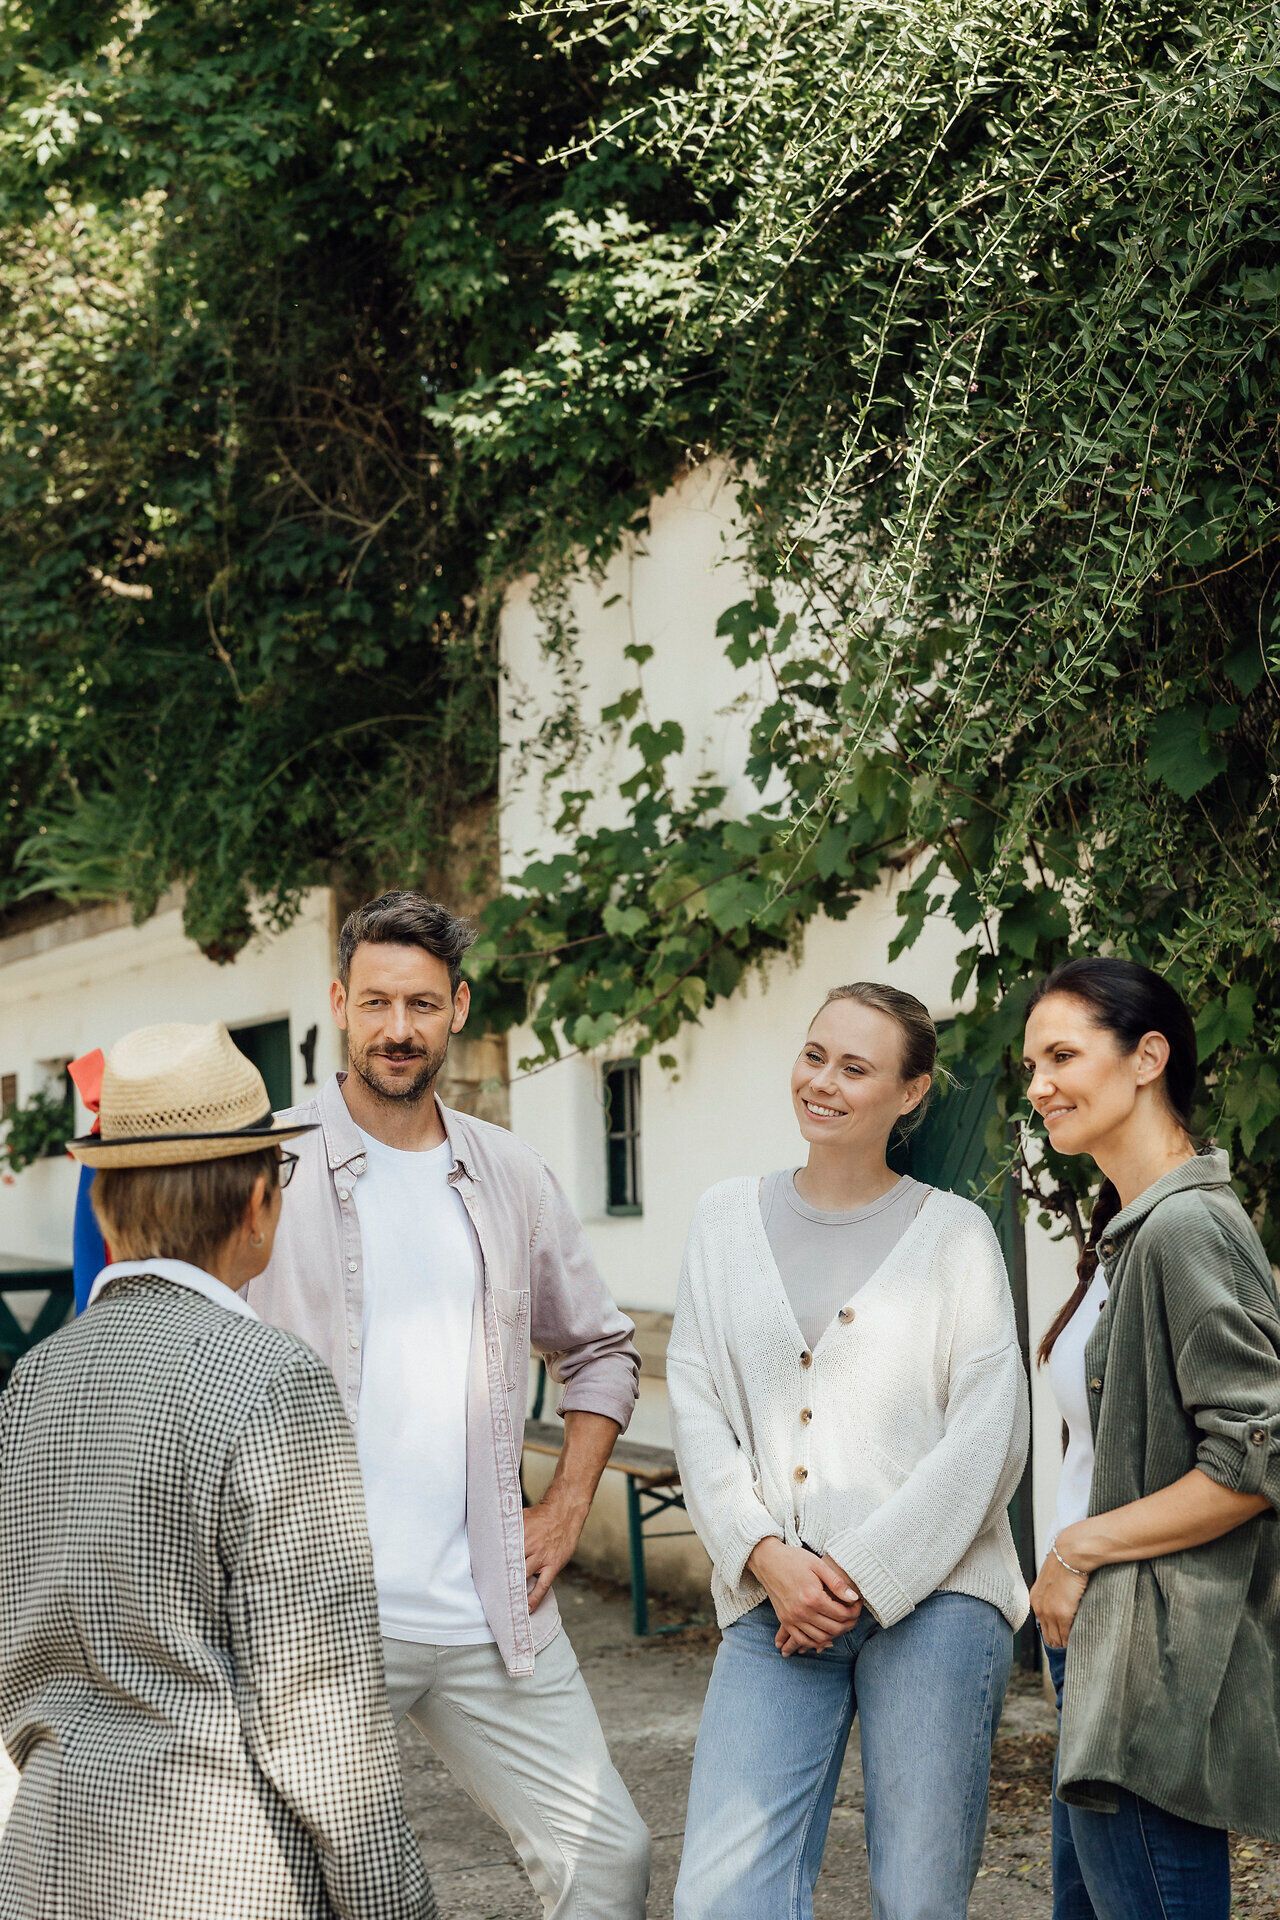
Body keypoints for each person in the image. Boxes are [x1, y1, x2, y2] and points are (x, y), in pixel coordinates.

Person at [247, 890, 650, 1920]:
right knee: (290, 1890)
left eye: (421, 1004)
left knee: (606, 1857)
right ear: (338, 1002)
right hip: (317, 1613)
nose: (397, 1030)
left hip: (485, 1609)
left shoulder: (507, 1172)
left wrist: (563, 1506)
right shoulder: (266, 1173)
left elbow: (599, 1349)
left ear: (458, 1008)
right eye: (376, 1002)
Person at [0, 1021, 433, 1920]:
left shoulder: (35, 1378)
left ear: (108, 1208)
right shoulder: (273, 1381)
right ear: (256, 1205)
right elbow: (321, 1715)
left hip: (43, 1858)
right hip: (218, 1867)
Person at [669, 981, 1030, 1920]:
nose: (822, 1082)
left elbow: (989, 1434)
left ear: (910, 1094)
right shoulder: (721, 1219)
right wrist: (764, 1555)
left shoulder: (954, 1235)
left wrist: (857, 1576)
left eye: (856, 1068)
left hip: (941, 1594)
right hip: (775, 1596)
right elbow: (698, 1401)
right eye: (814, 1054)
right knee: (721, 1897)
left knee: (916, 1898)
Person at [1023, 957, 1280, 1920]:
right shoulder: (1127, 1230)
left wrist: (1078, 1549)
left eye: (1062, 1055)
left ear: (1147, 1058)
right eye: (1030, 1065)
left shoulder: (1186, 1229)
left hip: (1150, 1660)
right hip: (1098, 1642)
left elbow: (1257, 1456)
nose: (1040, 1084)